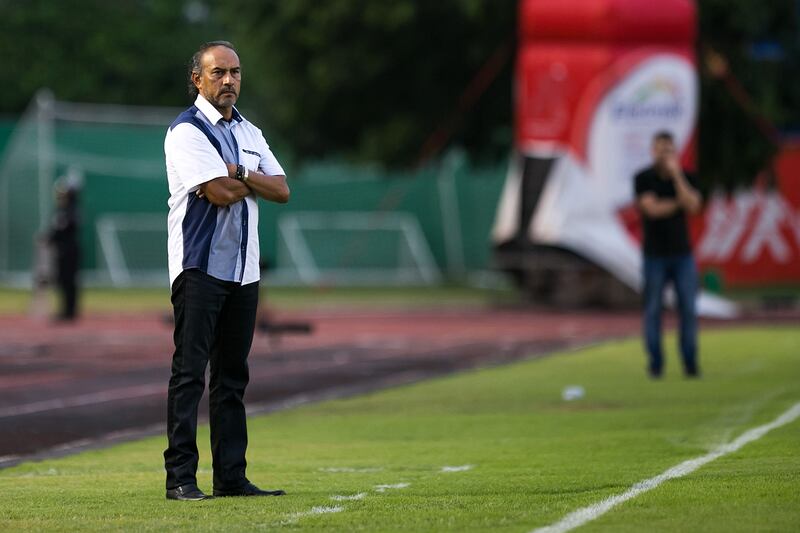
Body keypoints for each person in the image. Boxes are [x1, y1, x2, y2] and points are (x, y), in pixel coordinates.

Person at [163, 40, 290, 501]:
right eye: (218, 73)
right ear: (197, 79)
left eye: (235, 72)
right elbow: (217, 191)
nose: (229, 80)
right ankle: (180, 478)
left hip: (243, 271)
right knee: (190, 373)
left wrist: (239, 173)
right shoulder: (186, 131)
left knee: (232, 377)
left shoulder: (250, 131)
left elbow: (281, 190)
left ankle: (231, 478)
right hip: (199, 267)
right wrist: (242, 178)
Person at [634, 131, 703, 379]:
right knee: (653, 310)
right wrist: (678, 203)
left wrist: (677, 177)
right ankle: (655, 364)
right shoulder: (643, 178)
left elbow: (694, 205)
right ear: (653, 152)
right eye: (661, 150)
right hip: (654, 256)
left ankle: (690, 363)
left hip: (682, 254)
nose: (665, 156)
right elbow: (652, 209)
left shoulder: (686, 177)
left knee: (688, 309)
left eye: (670, 151)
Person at [47, 177, 81, 321]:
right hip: (61, 250)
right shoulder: (60, 210)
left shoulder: (72, 210)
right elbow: (55, 230)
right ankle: (65, 310)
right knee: (62, 280)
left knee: (69, 280)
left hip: (70, 249)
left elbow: (66, 227)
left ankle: (70, 311)